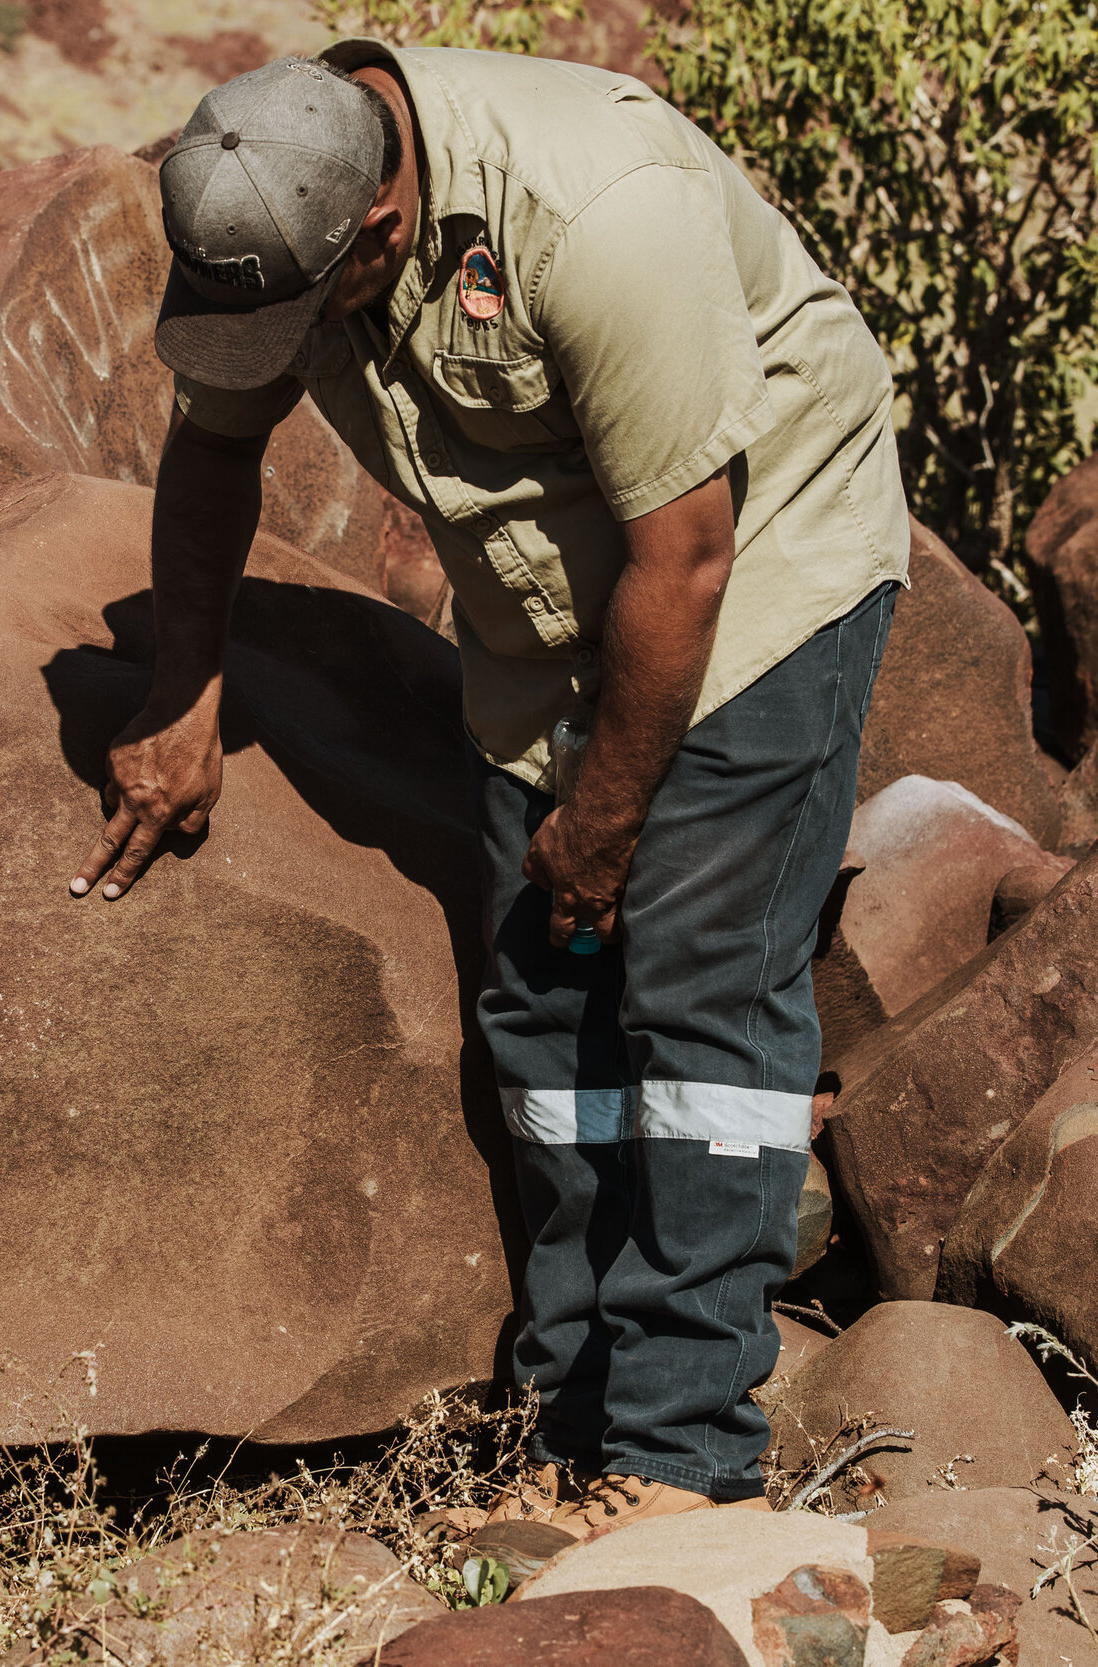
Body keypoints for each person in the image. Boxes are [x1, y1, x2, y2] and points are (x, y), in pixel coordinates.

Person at [67, 44, 910, 1541]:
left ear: (381, 235)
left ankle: (680, 1457)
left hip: (750, 566)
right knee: (540, 1000)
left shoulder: (602, 217)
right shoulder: (260, 190)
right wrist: (184, 688)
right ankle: (571, 1415)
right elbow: (212, 450)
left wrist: (605, 820)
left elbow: (690, 557)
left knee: (697, 989)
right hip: (546, 600)